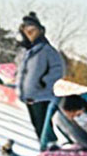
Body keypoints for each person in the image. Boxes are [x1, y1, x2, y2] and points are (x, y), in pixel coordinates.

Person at [14, 12, 66, 142]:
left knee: (44, 127)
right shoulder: (26, 52)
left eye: (33, 30)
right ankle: (45, 151)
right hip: (29, 95)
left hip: (42, 94)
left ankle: (50, 149)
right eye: (27, 31)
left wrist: (45, 82)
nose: (30, 33)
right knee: (38, 127)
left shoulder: (46, 49)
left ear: (40, 30)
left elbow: (58, 69)